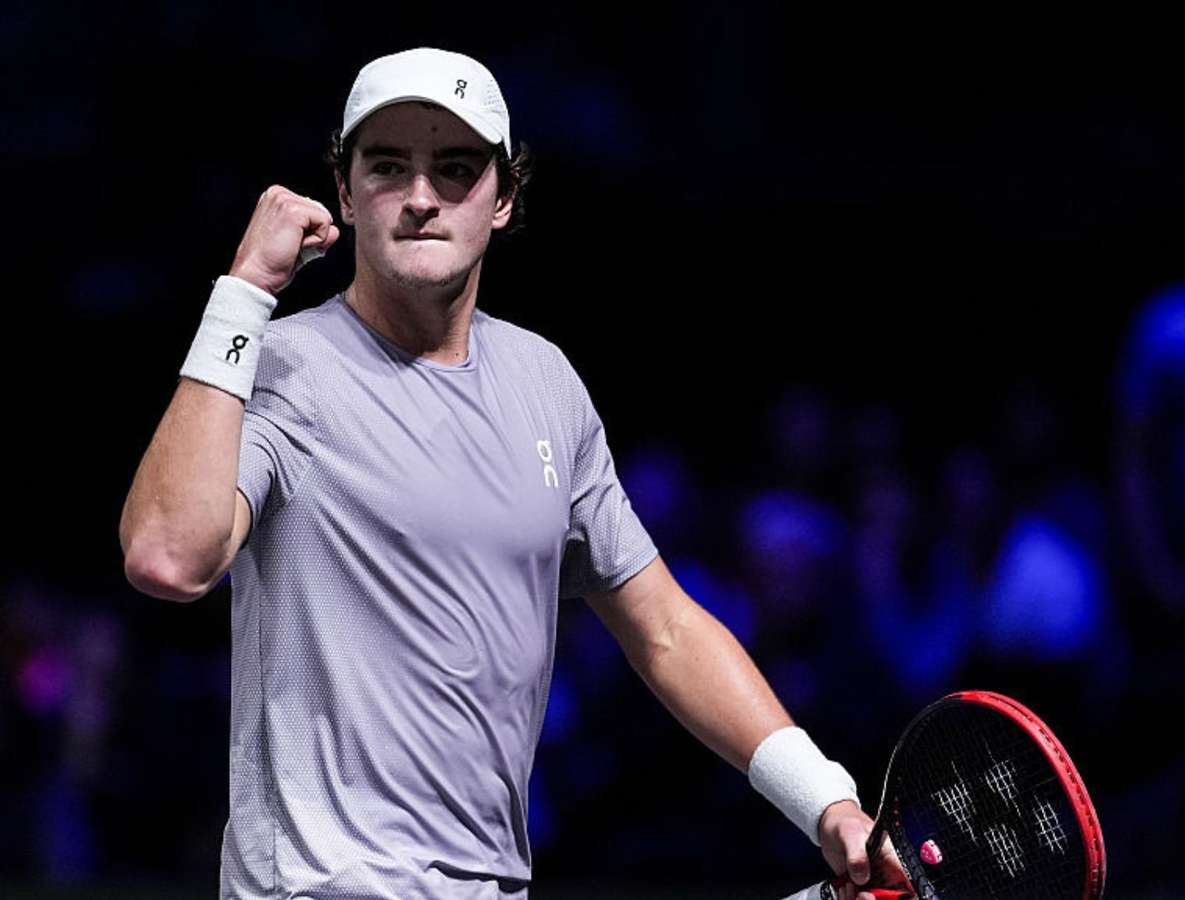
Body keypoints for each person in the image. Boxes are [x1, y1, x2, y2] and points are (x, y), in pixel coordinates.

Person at [118, 47, 902, 900]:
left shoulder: (546, 383)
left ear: (504, 198)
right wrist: (244, 290)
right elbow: (168, 556)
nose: (422, 197)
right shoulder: (283, 364)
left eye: (455, 169)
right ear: (344, 191)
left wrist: (825, 800)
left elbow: (666, 628)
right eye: (388, 167)